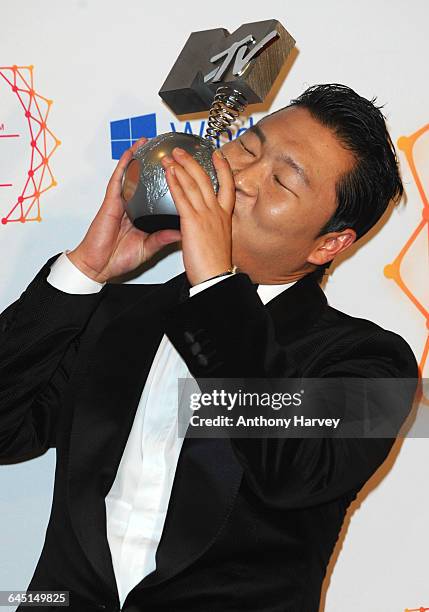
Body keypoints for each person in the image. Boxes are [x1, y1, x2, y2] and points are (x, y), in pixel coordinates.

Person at [0, 84, 418, 612]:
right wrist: (84, 274)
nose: (238, 179)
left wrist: (215, 287)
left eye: (282, 181)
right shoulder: (116, 316)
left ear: (329, 244)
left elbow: (288, 468)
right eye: (246, 147)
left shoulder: (373, 364)